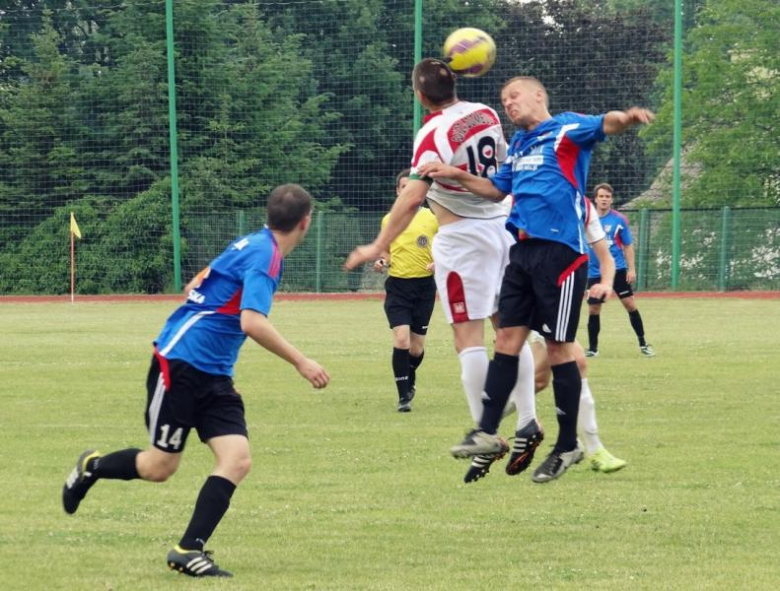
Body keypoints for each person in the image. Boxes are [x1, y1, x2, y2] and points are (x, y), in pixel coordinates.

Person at [61, 184, 330, 578]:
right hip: (180, 366)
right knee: (159, 467)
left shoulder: (250, 243)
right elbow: (251, 322)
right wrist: (301, 362)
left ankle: (188, 549)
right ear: (306, 222)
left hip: (214, 374)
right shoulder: (265, 257)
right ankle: (93, 466)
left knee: (237, 459)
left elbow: (194, 288)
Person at [421, 75, 653, 483]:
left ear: (539, 95)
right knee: (507, 339)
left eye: (514, 96)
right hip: (522, 253)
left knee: (560, 349)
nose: (508, 104)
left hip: (560, 253)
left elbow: (606, 123)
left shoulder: (565, 126)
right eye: (503, 100)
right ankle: (486, 432)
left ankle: (568, 446)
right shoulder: (521, 145)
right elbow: (494, 191)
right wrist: (452, 173)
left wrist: (628, 118)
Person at [345, 59, 540, 484]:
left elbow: (413, 196)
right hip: (503, 226)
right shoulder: (486, 113)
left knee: (466, 337)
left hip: (463, 240)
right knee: (508, 328)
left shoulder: (430, 134)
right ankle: (527, 421)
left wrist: (378, 244)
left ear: (419, 96)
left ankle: (484, 432)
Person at [373, 168, 439, 412]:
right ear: (397, 191)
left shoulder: (433, 218)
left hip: (424, 288)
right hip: (398, 287)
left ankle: (409, 374)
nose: (408, 192)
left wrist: (438, 261)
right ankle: (403, 397)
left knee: (416, 348)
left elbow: (447, 244)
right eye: (403, 188)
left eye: (412, 188)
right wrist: (382, 261)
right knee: (401, 339)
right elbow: (385, 250)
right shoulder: (389, 220)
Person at [530, 333, 627, 473]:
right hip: (545, 314)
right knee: (577, 362)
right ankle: (595, 449)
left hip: (550, 315)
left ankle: (488, 424)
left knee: (537, 381)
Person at [585, 183, 655, 358]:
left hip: (618, 270)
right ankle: (593, 349)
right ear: (595, 199)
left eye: (607, 197)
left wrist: (632, 269)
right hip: (594, 271)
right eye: (601, 196)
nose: (604, 199)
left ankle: (643, 343)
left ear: (611, 199)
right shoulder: (587, 219)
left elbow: (628, 246)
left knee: (630, 304)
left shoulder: (619, 219)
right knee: (594, 309)